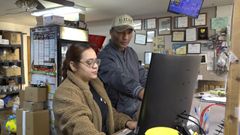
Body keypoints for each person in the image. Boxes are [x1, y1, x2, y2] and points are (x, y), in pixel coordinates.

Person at [53, 43, 136, 135]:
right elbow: (80, 126)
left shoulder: (95, 83)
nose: (95, 66)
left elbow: (108, 112)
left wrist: (126, 122)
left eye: (96, 61)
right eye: (89, 62)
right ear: (73, 66)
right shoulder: (65, 93)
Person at [98, 14, 148, 118]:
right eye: (121, 32)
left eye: (129, 32)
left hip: (137, 110)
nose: (125, 37)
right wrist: (138, 90)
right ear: (111, 32)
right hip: (118, 115)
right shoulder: (104, 56)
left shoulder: (131, 53)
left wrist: (155, 86)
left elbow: (142, 75)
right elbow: (117, 77)